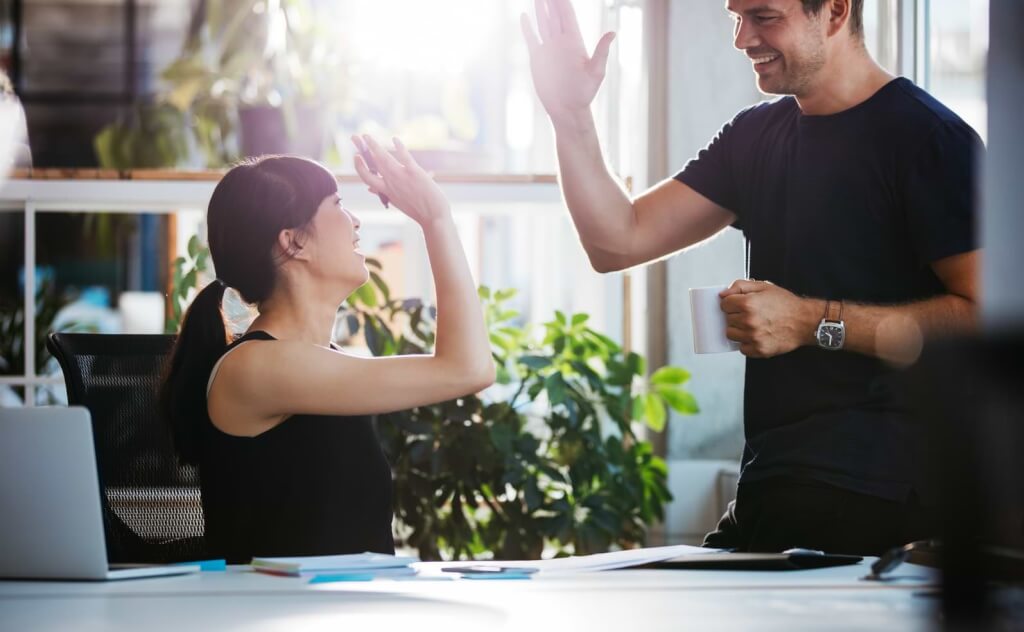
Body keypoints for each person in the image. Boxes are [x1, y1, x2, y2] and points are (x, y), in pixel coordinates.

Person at [521, 0, 982, 555]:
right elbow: (616, 240)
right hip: (776, 482)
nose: (742, 39)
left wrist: (812, 321)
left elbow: (988, 314)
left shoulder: (931, 141)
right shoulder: (754, 135)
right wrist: (570, 115)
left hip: (884, 492)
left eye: (764, 17)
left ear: (834, 11)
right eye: (735, 17)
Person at [160, 138, 495, 563]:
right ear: (293, 242)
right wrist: (436, 219)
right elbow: (467, 369)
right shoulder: (258, 366)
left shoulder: (319, 363)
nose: (356, 221)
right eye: (337, 204)